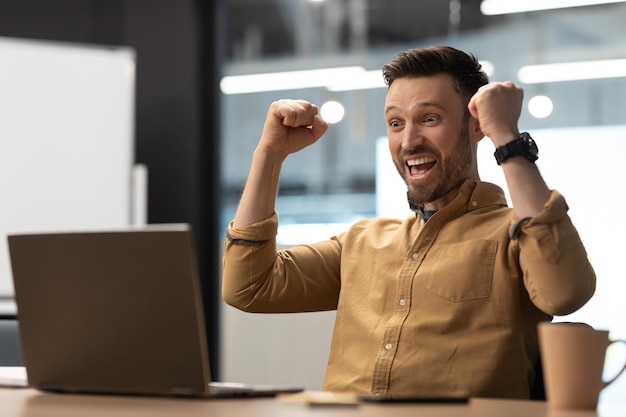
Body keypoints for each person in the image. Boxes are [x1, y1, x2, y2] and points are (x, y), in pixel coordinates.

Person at [221, 45, 596, 399]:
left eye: (429, 119)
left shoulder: (515, 235)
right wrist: (270, 154)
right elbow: (248, 287)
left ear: (477, 127)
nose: (409, 141)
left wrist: (508, 137)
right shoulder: (362, 241)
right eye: (396, 123)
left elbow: (566, 292)